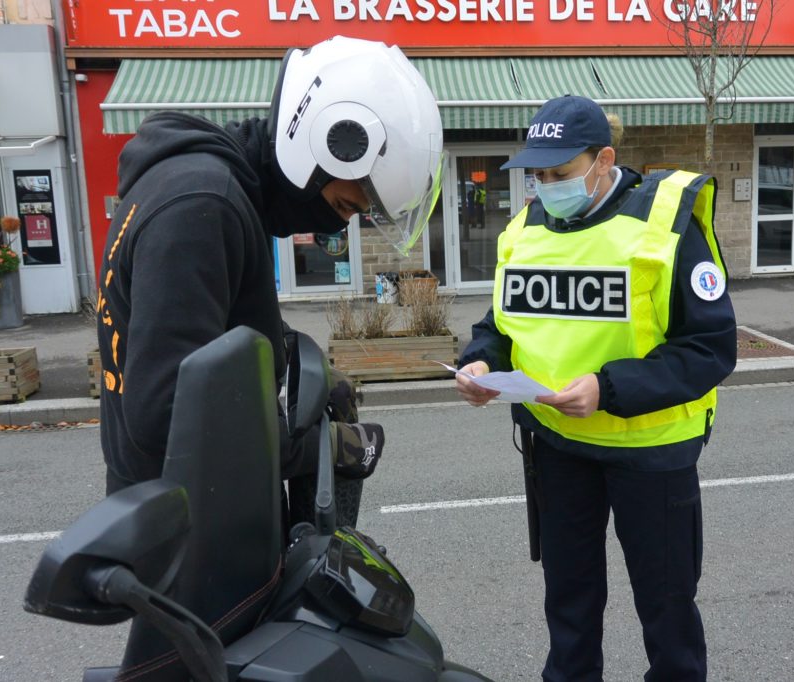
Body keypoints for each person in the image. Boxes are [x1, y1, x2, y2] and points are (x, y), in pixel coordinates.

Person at [96, 35, 444, 509]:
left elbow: (214, 327)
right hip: (189, 531)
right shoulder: (202, 207)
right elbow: (169, 416)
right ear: (321, 150)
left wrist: (292, 352)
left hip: (190, 509)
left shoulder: (216, 192)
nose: (342, 221)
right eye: (344, 205)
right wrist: (319, 448)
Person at [456, 95, 736, 681]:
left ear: (604, 159)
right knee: (569, 602)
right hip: (558, 447)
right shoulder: (525, 230)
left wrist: (607, 388)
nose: (544, 187)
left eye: (560, 174)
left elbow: (709, 349)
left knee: (666, 610)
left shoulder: (666, 225)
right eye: (537, 175)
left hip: (651, 453)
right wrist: (481, 363)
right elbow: (500, 326)